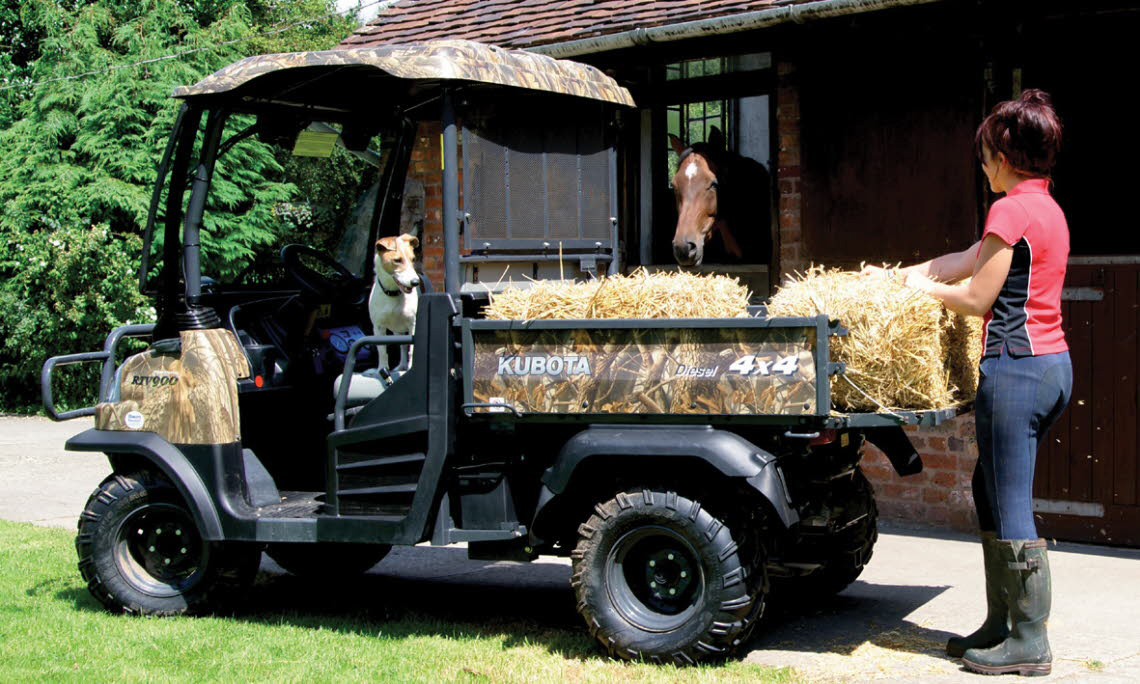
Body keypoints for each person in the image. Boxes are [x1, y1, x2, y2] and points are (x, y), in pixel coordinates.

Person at [863, 89, 1071, 677]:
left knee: (1009, 500)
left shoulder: (1009, 210)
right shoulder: (1045, 208)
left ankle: (1028, 640)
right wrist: (895, 277)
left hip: (1015, 369)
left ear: (1004, 156)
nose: (982, 167)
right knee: (988, 488)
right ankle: (1000, 624)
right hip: (1051, 366)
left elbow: (977, 297)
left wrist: (923, 291)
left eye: (984, 157)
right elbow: (968, 258)